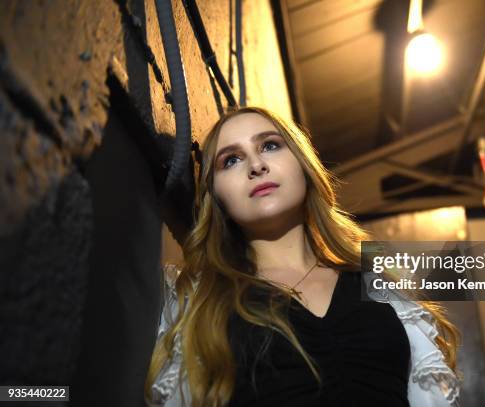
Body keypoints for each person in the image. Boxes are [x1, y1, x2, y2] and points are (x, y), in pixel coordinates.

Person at [145, 106, 461, 406]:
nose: (256, 166)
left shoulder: (376, 275)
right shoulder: (201, 298)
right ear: (217, 197)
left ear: (303, 165)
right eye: (231, 161)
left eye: (269, 145)